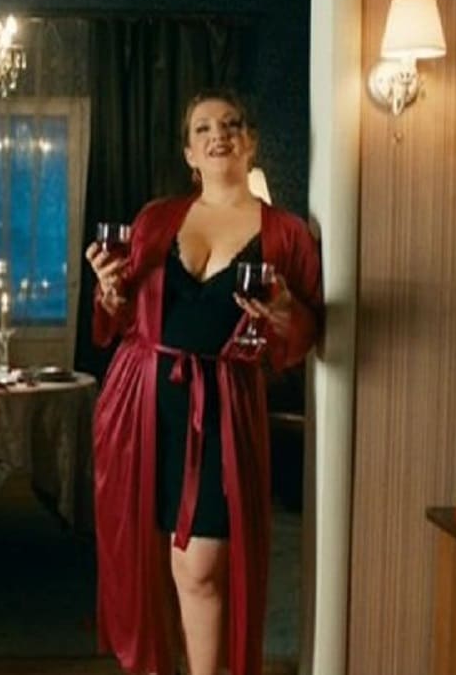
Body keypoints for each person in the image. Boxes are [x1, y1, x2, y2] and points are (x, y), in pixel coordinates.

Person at [85, 88, 323, 675]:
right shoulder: (156, 219)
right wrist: (109, 291)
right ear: (189, 152)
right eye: (203, 128)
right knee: (148, 559)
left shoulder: (287, 233)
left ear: (251, 141)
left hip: (221, 407)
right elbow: (119, 319)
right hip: (140, 402)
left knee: (201, 566)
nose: (219, 134)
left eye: (231, 124)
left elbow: (308, 335)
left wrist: (285, 314)